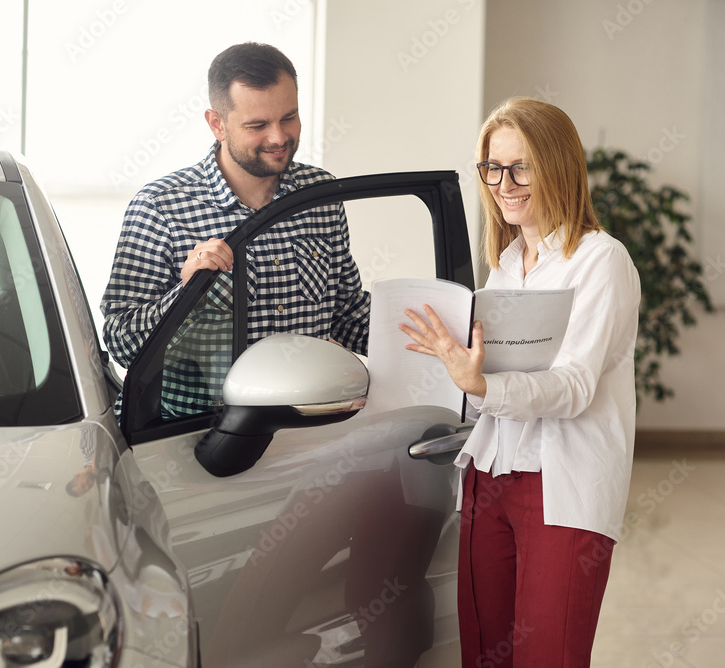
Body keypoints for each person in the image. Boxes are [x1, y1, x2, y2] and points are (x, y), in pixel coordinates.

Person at [400, 97, 640, 667]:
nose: (503, 183)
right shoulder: (506, 264)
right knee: (485, 655)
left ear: (558, 166)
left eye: (520, 166)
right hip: (490, 476)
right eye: (493, 168)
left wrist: (482, 386)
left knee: (546, 656)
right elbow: (490, 372)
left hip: (560, 486)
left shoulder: (600, 261)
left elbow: (575, 385)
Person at [101, 42, 369, 416]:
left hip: (305, 437)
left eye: (288, 117)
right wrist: (187, 294)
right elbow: (121, 342)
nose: (278, 137)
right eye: (258, 125)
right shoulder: (160, 207)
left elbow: (347, 314)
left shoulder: (320, 196)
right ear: (217, 124)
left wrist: (438, 334)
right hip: (191, 440)